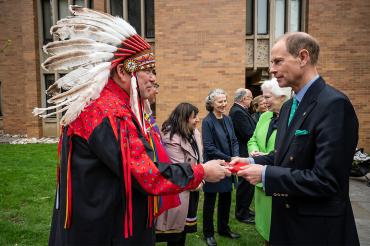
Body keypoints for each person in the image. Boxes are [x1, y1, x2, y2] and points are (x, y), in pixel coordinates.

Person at [33, 6, 230, 246]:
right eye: (147, 69)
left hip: (96, 223)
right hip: (105, 231)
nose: (154, 77)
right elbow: (147, 174)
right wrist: (201, 171)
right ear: (121, 72)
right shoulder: (109, 112)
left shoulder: (105, 106)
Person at [233, 32, 360, 245]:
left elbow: (326, 180)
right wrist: (251, 161)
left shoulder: (334, 105)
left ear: (303, 57)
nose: (271, 70)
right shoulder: (289, 107)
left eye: (278, 61)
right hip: (286, 225)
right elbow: (284, 156)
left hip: (317, 232)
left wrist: (265, 174)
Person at [247, 78, 291, 243]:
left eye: (267, 97)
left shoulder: (293, 120)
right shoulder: (265, 116)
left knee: (278, 230)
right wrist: (253, 151)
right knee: (265, 227)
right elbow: (252, 139)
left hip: (277, 181)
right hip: (259, 181)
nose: (263, 102)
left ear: (282, 97)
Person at [156, 103, 203, 246]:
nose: (198, 120)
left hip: (192, 187)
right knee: (175, 235)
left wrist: (200, 179)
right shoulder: (171, 137)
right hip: (178, 192)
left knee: (183, 231)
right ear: (183, 118)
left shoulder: (194, 132)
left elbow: (200, 159)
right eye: (194, 117)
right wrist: (198, 180)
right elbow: (178, 169)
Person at [202, 88, 241, 246]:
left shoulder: (228, 119)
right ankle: (208, 233)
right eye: (220, 101)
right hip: (214, 165)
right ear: (211, 103)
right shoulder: (207, 121)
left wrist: (236, 157)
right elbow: (209, 147)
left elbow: (234, 140)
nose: (224, 104)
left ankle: (224, 229)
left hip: (230, 164)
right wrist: (228, 158)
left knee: (226, 197)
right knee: (210, 201)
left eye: (225, 101)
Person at [229, 88, 256, 224]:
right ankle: (241, 213)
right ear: (244, 99)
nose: (251, 100)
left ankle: (245, 208)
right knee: (245, 184)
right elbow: (248, 133)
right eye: (250, 98)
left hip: (245, 151)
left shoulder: (241, 110)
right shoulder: (237, 112)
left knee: (248, 183)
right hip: (243, 152)